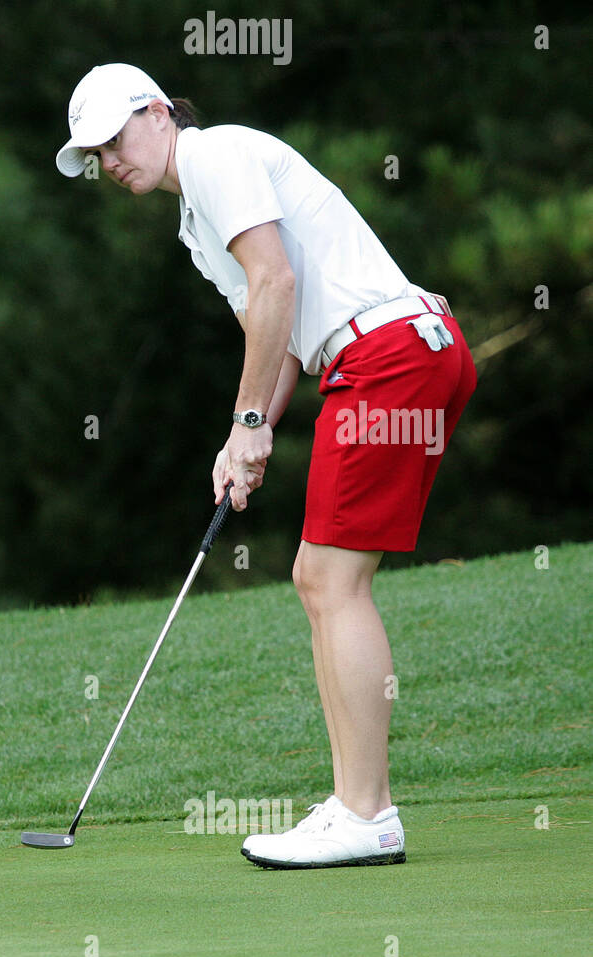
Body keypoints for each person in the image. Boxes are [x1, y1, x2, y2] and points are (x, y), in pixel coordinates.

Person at [56, 64, 476, 869]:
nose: (108, 162)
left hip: (387, 356)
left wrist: (252, 423)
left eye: (113, 139)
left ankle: (366, 813)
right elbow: (277, 335)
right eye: (93, 155)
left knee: (329, 581)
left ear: (156, 112)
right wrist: (241, 439)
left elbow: (276, 279)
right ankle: (358, 803)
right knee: (321, 577)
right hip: (398, 353)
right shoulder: (194, 222)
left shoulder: (215, 156)